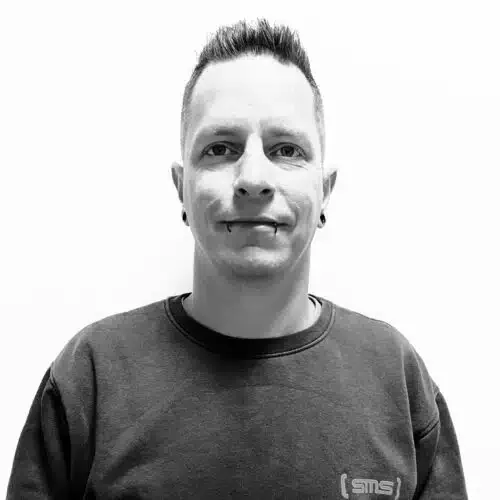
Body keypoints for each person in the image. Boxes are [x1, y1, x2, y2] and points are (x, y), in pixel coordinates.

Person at [7, 19, 468, 499]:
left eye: (285, 149)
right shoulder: (91, 377)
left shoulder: (397, 379)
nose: (253, 179)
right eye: (220, 149)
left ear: (325, 189)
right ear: (181, 187)